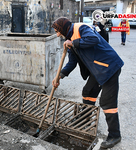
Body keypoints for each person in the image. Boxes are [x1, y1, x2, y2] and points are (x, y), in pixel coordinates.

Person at [51, 17, 124, 149]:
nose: (57, 34)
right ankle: (85, 119)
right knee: (88, 92)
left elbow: (94, 39)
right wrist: (59, 76)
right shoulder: (69, 39)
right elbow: (72, 62)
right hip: (98, 70)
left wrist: (73, 43)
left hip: (109, 67)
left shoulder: (80, 28)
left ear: (63, 28)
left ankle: (114, 135)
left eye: (57, 31)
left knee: (107, 103)